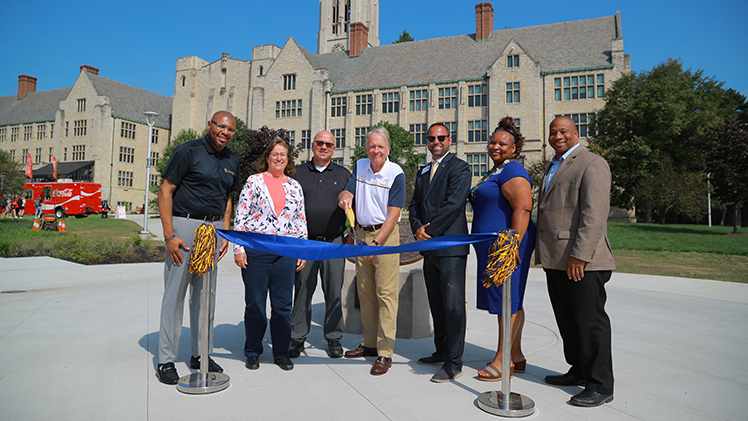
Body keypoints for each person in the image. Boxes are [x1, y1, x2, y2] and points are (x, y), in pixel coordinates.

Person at [155, 111, 241, 385]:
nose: (225, 132)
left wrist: (225, 231)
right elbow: (165, 190)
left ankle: (199, 354)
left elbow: (227, 197)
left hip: (212, 231)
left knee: (205, 297)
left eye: (230, 129)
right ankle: (166, 359)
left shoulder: (232, 160)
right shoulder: (187, 151)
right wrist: (169, 235)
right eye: (221, 126)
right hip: (184, 228)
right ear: (210, 126)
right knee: (175, 295)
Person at [536, 116, 616, 407]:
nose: (558, 136)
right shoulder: (555, 164)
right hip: (556, 258)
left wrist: (579, 256)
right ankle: (579, 370)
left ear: (576, 133)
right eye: (553, 132)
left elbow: (594, 215)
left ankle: (601, 384)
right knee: (568, 321)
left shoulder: (592, 163)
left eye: (563, 131)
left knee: (590, 322)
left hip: (583, 260)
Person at [469, 116, 536, 382]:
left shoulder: (513, 171)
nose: (496, 147)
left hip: (506, 248)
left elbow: (523, 208)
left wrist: (512, 245)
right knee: (508, 300)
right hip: (493, 248)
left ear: (514, 149)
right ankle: (516, 355)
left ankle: (503, 358)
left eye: (503, 144)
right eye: (493, 142)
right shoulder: (496, 170)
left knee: (507, 302)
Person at [234, 138, 307, 372]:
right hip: (257, 252)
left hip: (285, 253)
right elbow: (241, 216)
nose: (279, 158)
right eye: (275, 154)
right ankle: (253, 351)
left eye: (283, 154)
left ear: (288, 159)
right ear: (267, 157)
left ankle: (281, 352)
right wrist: (239, 248)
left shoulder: (295, 186)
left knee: (283, 306)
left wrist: (301, 249)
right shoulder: (254, 182)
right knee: (255, 304)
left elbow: (300, 221)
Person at [338, 126, 406, 376]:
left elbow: (394, 214)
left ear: (388, 149)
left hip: (385, 236)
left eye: (381, 147)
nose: (376, 151)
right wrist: (344, 197)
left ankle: (385, 352)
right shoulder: (359, 166)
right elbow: (348, 191)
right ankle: (369, 344)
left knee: (386, 294)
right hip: (361, 234)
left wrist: (376, 242)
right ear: (366, 149)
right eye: (372, 146)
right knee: (365, 292)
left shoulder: (395, 173)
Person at [408, 123, 471, 383]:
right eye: (431, 138)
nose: (436, 142)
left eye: (441, 138)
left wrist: (428, 233)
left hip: (450, 247)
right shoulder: (423, 171)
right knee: (437, 303)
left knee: (453, 306)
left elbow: (453, 205)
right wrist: (416, 230)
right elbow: (413, 205)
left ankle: (454, 362)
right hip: (430, 248)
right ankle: (441, 350)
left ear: (449, 140)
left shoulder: (460, 168)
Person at [289, 131, 351, 359]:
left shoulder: (345, 174)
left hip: (334, 242)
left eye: (329, 144)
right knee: (302, 291)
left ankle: (334, 338)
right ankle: (297, 337)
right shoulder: (297, 173)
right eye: (320, 143)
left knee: (334, 291)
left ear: (334, 148)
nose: (324, 147)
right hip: (305, 244)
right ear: (312, 145)